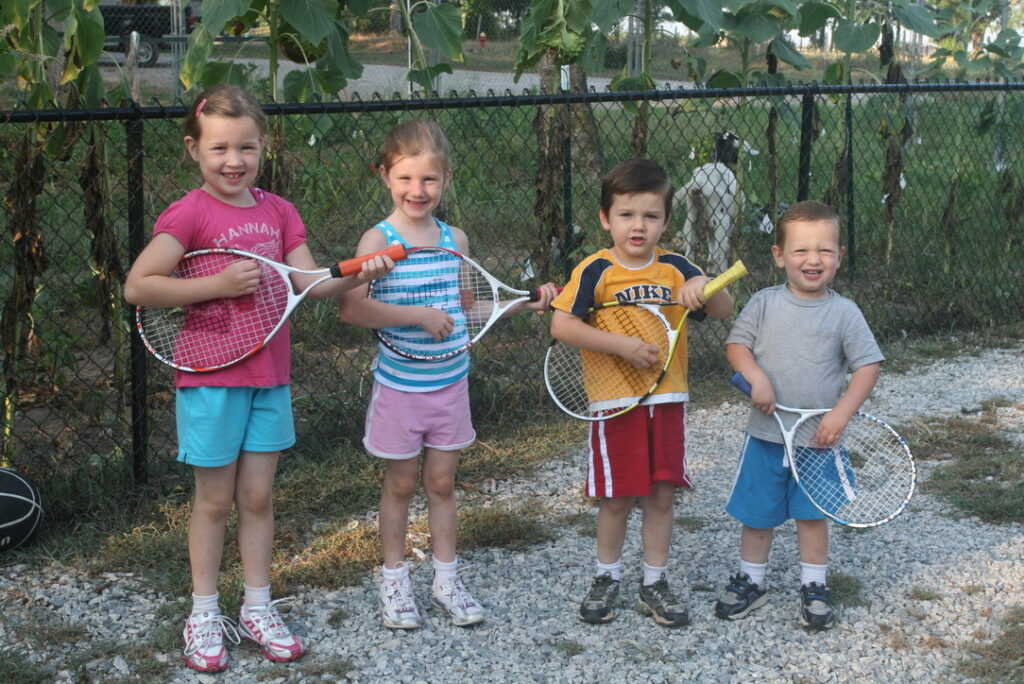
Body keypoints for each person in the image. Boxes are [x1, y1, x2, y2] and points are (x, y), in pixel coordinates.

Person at [124, 84, 394, 673]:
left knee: (258, 496)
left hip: (269, 378)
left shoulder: (279, 212)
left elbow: (311, 285)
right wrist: (214, 286)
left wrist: (358, 273)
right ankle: (202, 613)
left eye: (246, 147)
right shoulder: (189, 213)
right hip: (212, 380)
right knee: (214, 500)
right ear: (194, 150)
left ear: (263, 147)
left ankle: (257, 605)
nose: (233, 161)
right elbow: (139, 285)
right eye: (219, 148)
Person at [338, 118, 558, 630]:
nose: (418, 190)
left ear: (447, 179)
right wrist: (416, 316)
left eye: (429, 180)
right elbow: (352, 311)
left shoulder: (454, 237)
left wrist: (525, 305)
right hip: (399, 387)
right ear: (385, 177)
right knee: (400, 484)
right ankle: (394, 581)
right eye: (407, 179)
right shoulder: (378, 238)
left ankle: (446, 579)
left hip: (450, 384)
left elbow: (464, 310)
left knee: (441, 482)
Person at [549, 158, 734, 627]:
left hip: (667, 402)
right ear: (605, 218)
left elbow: (723, 306)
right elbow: (562, 324)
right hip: (615, 404)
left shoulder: (676, 268)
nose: (639, 226)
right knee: (616, 498)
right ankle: (606, 575)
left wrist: (702, 287)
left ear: (666, 221)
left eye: (651, 216)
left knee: (660, 495)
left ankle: (654, 582)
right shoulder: (595, 270)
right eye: (627, 215)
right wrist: (620, 347)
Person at [716, 200, 884, 631]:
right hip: (765, 437)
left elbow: (868, 366)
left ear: (840, 256)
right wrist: (755, 377)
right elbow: (737, 346)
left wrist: (841, 414)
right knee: (758, 514)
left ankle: (814, 585)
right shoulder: (764, 303)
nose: (814, 260)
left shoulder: (845, 312)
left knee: (812, 516)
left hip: (818, 441)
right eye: (801, 251)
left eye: (825, 250)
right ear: (778, 256)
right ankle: (751, 580)